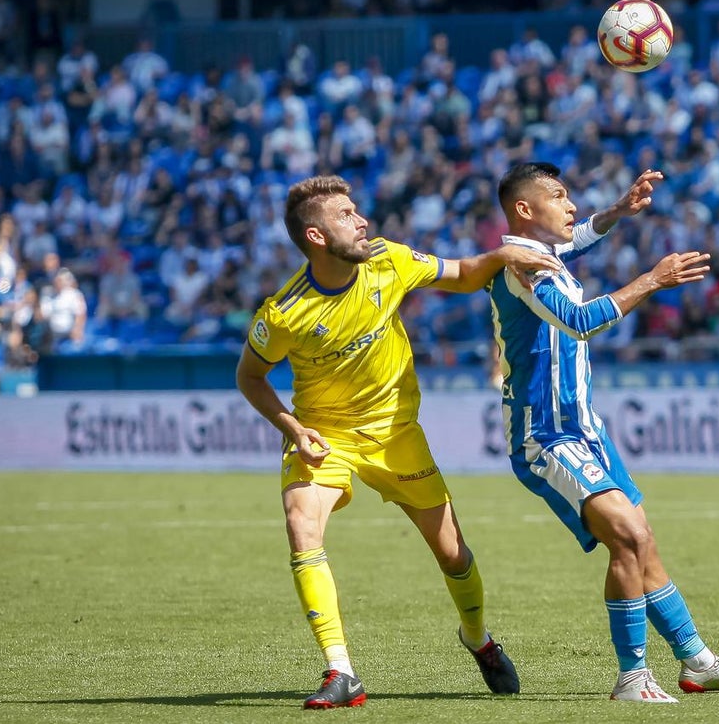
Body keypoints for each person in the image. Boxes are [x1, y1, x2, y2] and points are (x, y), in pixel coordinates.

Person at [235, 174, 561, 709]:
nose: (362, 220)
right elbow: (249, 376)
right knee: (301, 526)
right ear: (316, 237)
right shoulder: (284, 313)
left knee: (453, 555)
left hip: (396, 434)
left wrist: (502, 256)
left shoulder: (388, 259)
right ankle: (341, 670)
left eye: (357, 210)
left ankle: (477, 638)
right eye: (345, 215)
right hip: (324, 434)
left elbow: (462, 274)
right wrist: (293, 428)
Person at [488, 163, 719, 703]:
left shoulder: (545, 253)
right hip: (546, 435)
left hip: (585, 429)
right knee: (628, 537)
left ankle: (697, 662)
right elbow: (580, 320)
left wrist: (617, 211)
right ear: (524, 209)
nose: (572, 206)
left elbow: (579, 239)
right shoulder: (521, 264)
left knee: (645, 543)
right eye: (559, 196)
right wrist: (653, 279)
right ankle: (632, 677)